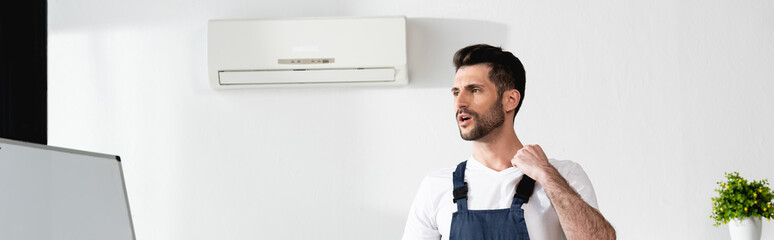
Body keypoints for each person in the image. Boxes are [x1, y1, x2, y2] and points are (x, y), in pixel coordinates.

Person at [401, 44, 616, 240]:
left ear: (510, 100)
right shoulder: (437, 186)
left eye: (474, 90)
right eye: (456, 92)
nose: (460, 102)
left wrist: (546, 175)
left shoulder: (564, 175)